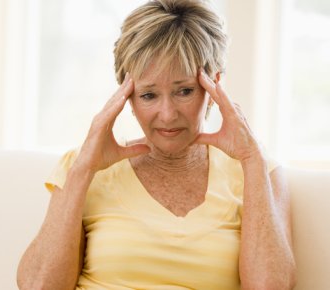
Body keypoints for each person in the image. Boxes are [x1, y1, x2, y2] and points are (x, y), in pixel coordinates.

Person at [17, 0, 296, 289]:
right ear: (126, 97)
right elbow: (38, 286)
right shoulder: (82, 167)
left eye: (184, 91)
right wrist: (82, 170)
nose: (167, 114)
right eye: (149, 95)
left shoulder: (259, 172)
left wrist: (251, 158)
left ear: (213, 88)